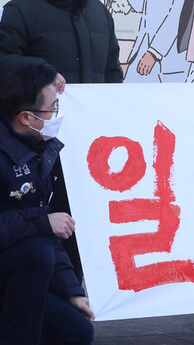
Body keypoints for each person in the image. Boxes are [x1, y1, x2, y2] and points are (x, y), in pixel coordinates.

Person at [0, 0, 124, 278]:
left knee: (86, 217)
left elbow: (112, 71)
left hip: (91, 140)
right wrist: (40, 69)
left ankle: (77, 290)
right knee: (50, 220)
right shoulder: (21, 11)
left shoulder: (98, 11)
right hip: (39, 143)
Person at [0, 58, 95, 345]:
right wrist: (42, 223)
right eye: (52, 109)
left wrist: (72, 291)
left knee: (78, 333)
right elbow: (43, 226)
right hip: (14, 266)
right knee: (37, 251)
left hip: (15, 272)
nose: (57, 115)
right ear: (26, 117)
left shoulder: (41, 147)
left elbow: (45, 223)